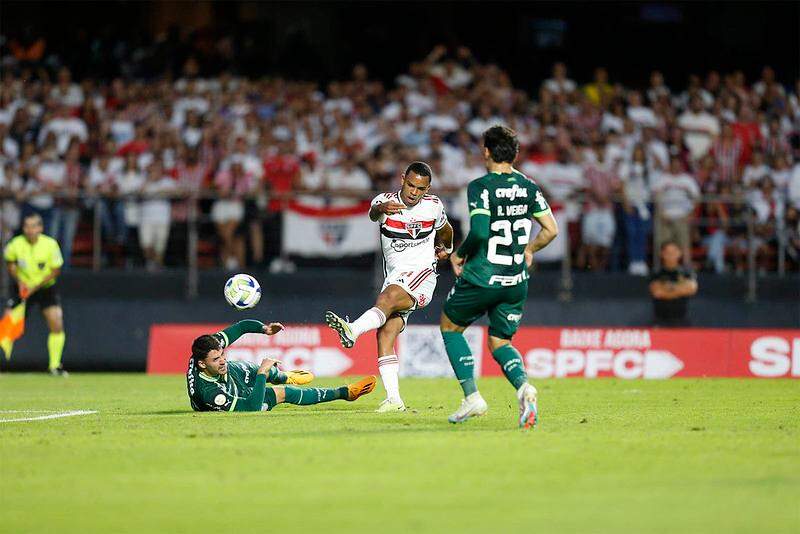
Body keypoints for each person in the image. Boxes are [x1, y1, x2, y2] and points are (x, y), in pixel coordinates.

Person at [439, 126, 558, 429]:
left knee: (451, 327)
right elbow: (551, 229)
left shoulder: (480, 186)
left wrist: (458, 254)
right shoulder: (529, 186)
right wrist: (529, 250)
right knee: (500, 340)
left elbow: (479, 231)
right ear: (515, 154)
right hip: (516, 279)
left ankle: (472, 397)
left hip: (482, 276)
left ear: (487, 152)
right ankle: (524, 388)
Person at [324, 161, 453, 413]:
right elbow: (373, 214)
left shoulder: (434, 206)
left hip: (422, 274)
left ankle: (352, 330)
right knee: (385, 333)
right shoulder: (384, 201)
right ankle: (394, 399)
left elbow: (446, 229)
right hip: (395, 275)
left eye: (421, 189)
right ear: (402, 178)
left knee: (389, 298)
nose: (415, 192)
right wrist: (381, 208)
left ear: (428, 189)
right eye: (411, 185)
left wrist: (446, 249)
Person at [187, 319, 376, 412]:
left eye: (222, 355)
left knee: (244, 368)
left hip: (227, 378)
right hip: (231, 395)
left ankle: (283, 375)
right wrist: (262, 373)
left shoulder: (208, 348)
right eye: (216, 359)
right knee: (283, 392)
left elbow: (241, 327)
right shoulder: (209, 393)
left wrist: (265, 329)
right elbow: (250, 408)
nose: (222, 360)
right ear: (202, 364)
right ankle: (345, 392)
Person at [3, 213, 67, 375]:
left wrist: (35, 286)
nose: (29, 230)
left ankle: (54, 366)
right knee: (7, 325)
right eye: (26, 226)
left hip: (45, 289)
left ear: (40, 228)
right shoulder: (16, 244)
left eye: (33, 226)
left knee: (56, 323)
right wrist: (19, 281)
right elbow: (10, 264)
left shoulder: (50, 245)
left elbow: (55, 270)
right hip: (22, 288)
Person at [649, 241, 698, 327]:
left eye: (674, 252)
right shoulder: (656, 272)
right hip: (660, 321)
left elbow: (692, 289)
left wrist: (668, 288)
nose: (671, 255)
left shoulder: (687, 272)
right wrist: (680, 289)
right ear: (662, 254)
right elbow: (657, 292)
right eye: (668, 252)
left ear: (680, 253)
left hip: (682, 320)